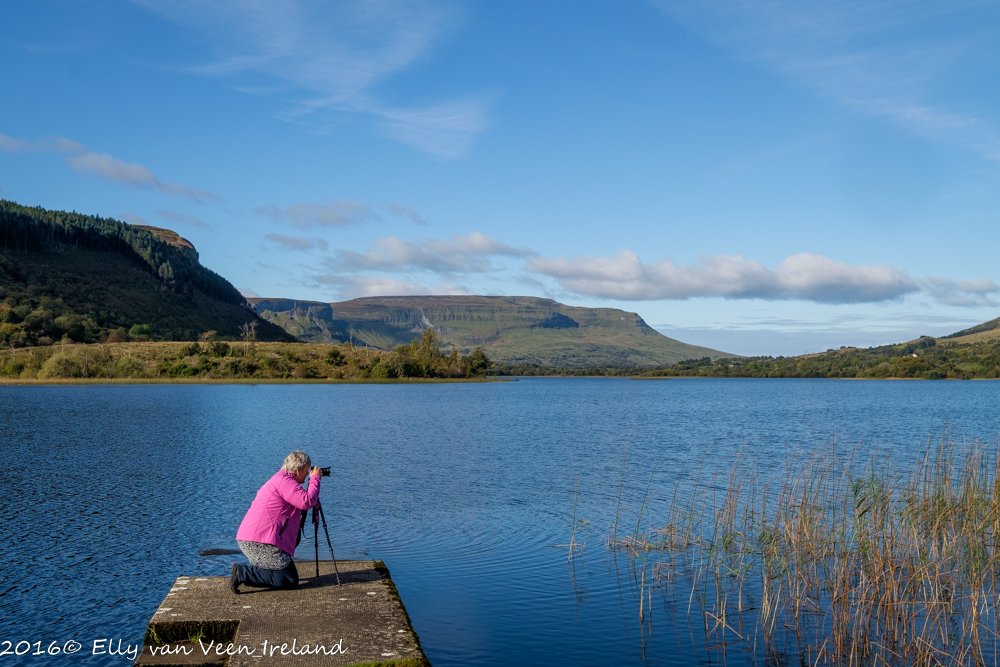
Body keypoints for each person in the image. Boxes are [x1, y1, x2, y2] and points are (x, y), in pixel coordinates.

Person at [230, 451, 321, 593]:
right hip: (259, 542)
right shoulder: (284, 481)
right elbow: (306, 501)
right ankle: (242, 574)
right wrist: (315, 480)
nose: (308, 473)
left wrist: (312, 486)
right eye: (307, 470)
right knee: (289, 580)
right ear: (298, 470)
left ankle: (248, 573)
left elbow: (302, 501)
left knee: (286, 576)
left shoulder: (282, 479)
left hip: (256, 539)